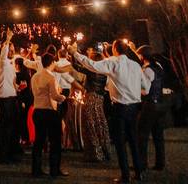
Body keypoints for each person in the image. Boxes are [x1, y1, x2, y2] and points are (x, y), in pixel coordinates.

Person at [70, 39, 149, 183]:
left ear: (115, 50)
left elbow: (92, 65)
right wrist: (136, 90)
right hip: (134, 107)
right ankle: (139, 172)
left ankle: (125, 175)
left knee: (120, 142)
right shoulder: (136, 65)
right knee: (133, 141)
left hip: (120, 107)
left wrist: (75, 53)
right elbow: (146, 86)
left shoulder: (113, 62)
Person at [30, 53, 67, 177]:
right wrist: (63, 97)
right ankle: (54, 169)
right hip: (49, 111)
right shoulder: (51, 77)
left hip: (37, 110)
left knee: (39, 141)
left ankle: (36, 169)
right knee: (55, 141)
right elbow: (55, 96)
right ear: (51, 63)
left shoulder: (35, 76)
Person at [74, 47, 112, 163]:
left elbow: (77, 66)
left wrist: (73, 53)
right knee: (100, 124)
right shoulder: (105, 72)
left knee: (90, 125)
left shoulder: (91, 70)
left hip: (90, 98)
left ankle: (95, 154)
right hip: (100, 98)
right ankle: (105, 151)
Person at [0, 29, 22, 164]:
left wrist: (18, 88)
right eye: (11, 49)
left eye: (13, 49)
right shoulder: (2, 62)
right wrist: (8, 39)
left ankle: (10, 153)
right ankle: (3, 155)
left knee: (12, 128)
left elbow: (11, 82)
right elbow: (3, 54)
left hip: (12, 97)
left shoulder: (10, 64)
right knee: (5, 128)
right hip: (4, 99)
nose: (12, 51)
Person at [136, 46, 166, 170]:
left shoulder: (147, 70)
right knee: (158, 135)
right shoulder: (159, 66)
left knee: (142, 134)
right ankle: (160, 163)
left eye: (139, 56)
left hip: (149, 105)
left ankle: (142, 164)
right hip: (159, 103)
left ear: (143, 56)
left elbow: (145, 90)